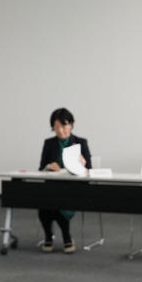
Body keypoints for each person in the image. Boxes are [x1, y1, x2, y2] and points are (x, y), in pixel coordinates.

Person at [37, 107, 91, 254]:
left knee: (58, 201)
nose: (60, 130)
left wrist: (83, 164)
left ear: (71, 125)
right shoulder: (49, 143)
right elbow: (41, 167)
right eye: (56, 127)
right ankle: (50, 236)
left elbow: (90, 170)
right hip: (53, 186)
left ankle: (65, 236)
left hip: (73, 187)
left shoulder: (80, 142)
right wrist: (49, 166)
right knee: (43, 204)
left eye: (64, 126)